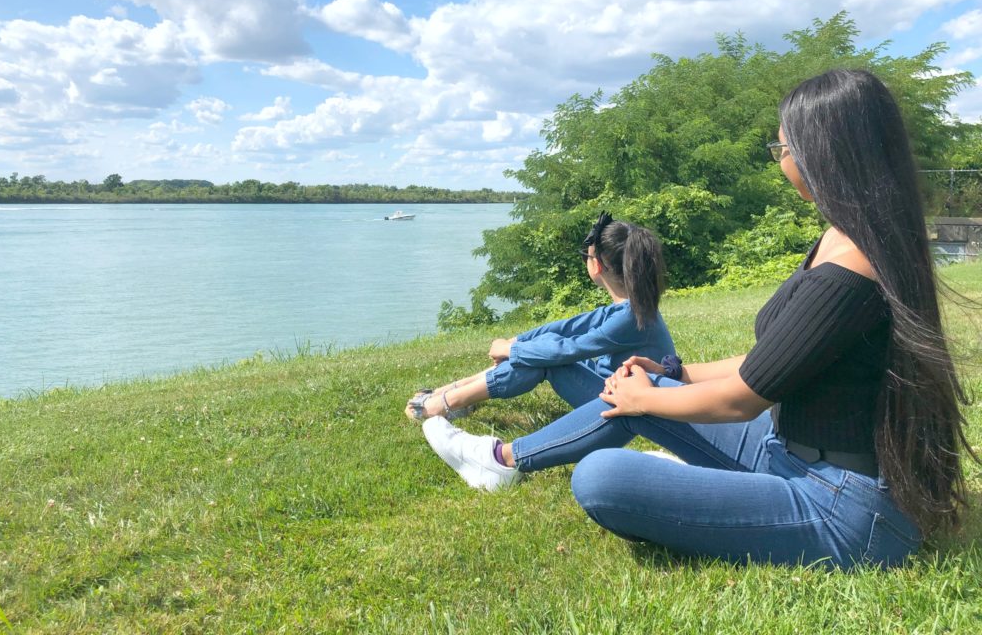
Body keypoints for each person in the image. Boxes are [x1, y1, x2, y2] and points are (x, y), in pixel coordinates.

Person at [422, 69, 975, 568]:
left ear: (819, 153)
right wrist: (675, 376)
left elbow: (742, 398)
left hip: (844, 507)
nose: (778, 156)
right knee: (645, 383)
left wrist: (645, 400)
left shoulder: (851, 269)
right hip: (792, 449)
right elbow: (769, 362)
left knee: (603, 477)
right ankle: (503, 462)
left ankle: (506, 461)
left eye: (781, 144)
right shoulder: (851, 237)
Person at [406, 213, 675, 420]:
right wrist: (516, 341)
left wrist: (513, 348)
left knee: (545, 359)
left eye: (587, 255)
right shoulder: (631, 307)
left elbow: (566, 350)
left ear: (598, 266)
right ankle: (455, 392)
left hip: (633, 402)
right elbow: (565, 328)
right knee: (540, 346)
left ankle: (444, 404)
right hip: (622, 389)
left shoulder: (629, 317)